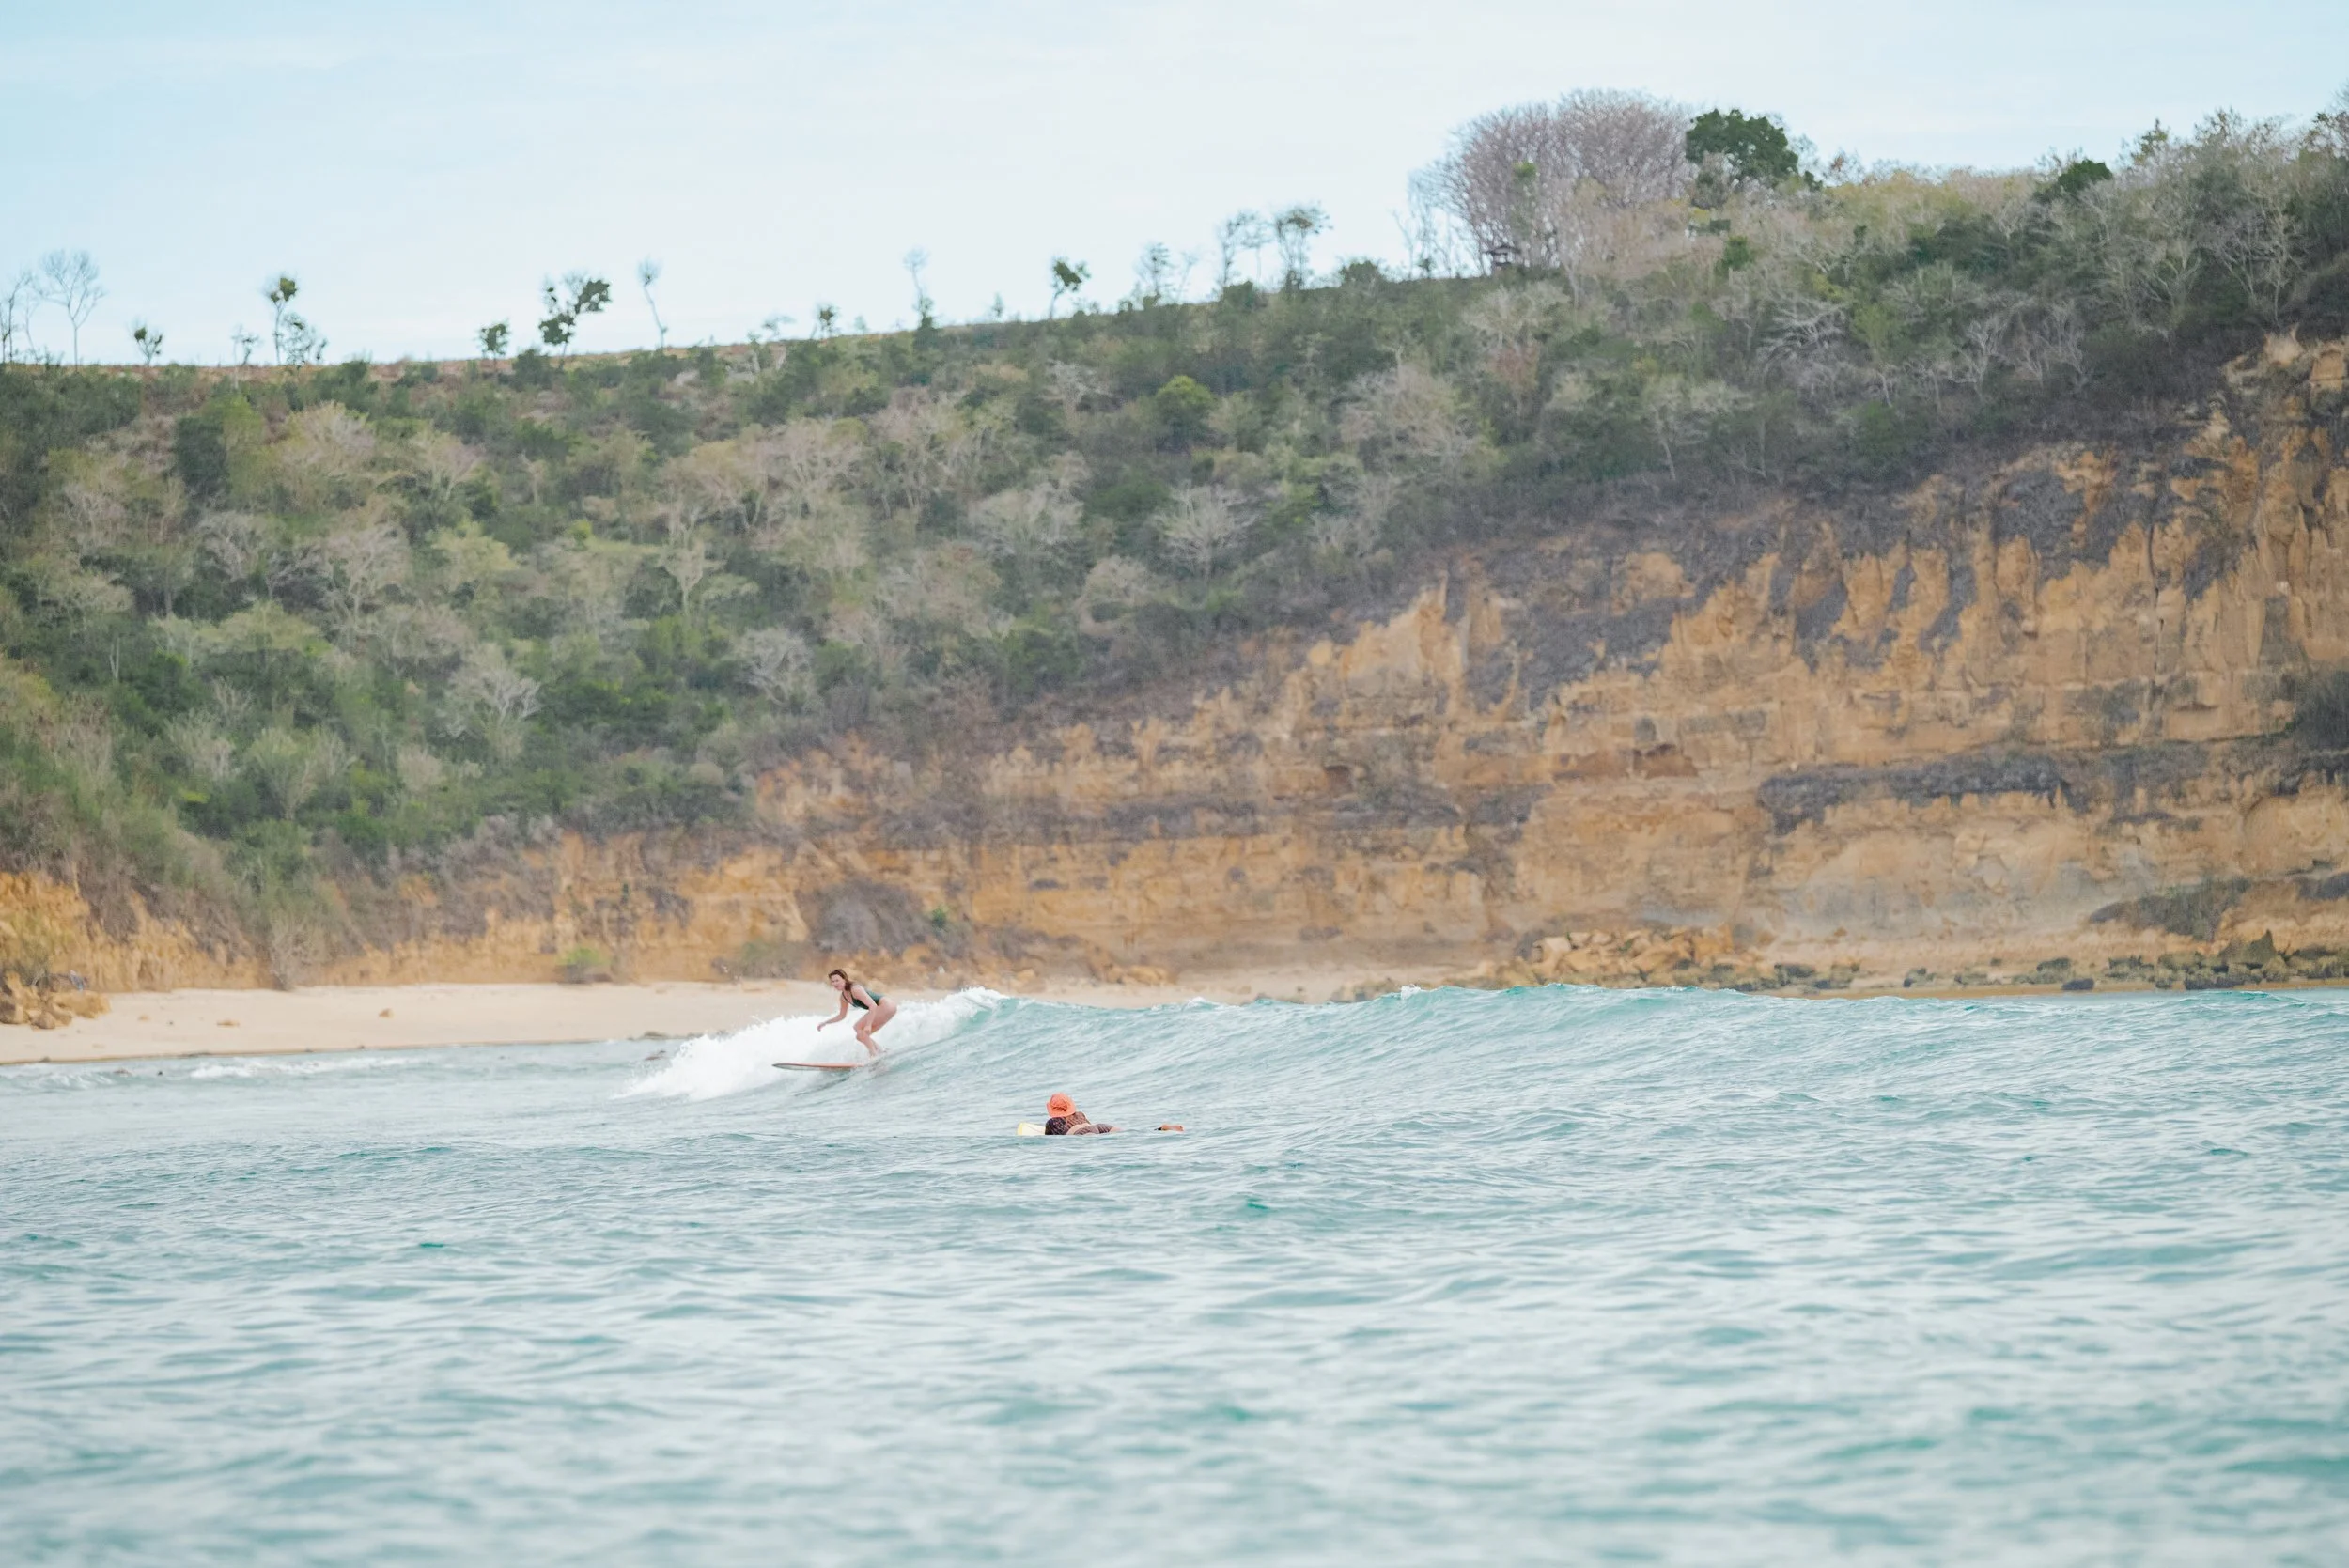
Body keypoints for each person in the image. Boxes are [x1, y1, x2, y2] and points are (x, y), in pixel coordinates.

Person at [817, 968, 896, 1057]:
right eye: (833, 981)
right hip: (886, 1008)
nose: (835, 983)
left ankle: (874, 1054)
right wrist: (825, 1022)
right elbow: (841, 1016)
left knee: (857, 1027)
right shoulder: (843, 997)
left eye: (837, 980)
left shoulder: (855, 989)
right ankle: (881, 1051)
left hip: (886, 1005)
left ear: (844, 979)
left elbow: (872, 1005)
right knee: (860, 1036)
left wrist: (868, 1025)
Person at [1040, 1092, 1185, 1134]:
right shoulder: (1080, 1114)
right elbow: (1092, 1128)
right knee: (1127, 1134)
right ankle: (1159, 1129)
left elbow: (1048, 1139)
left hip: (1081, 1133)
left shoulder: (1052, 1122)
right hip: (1099, 1126)